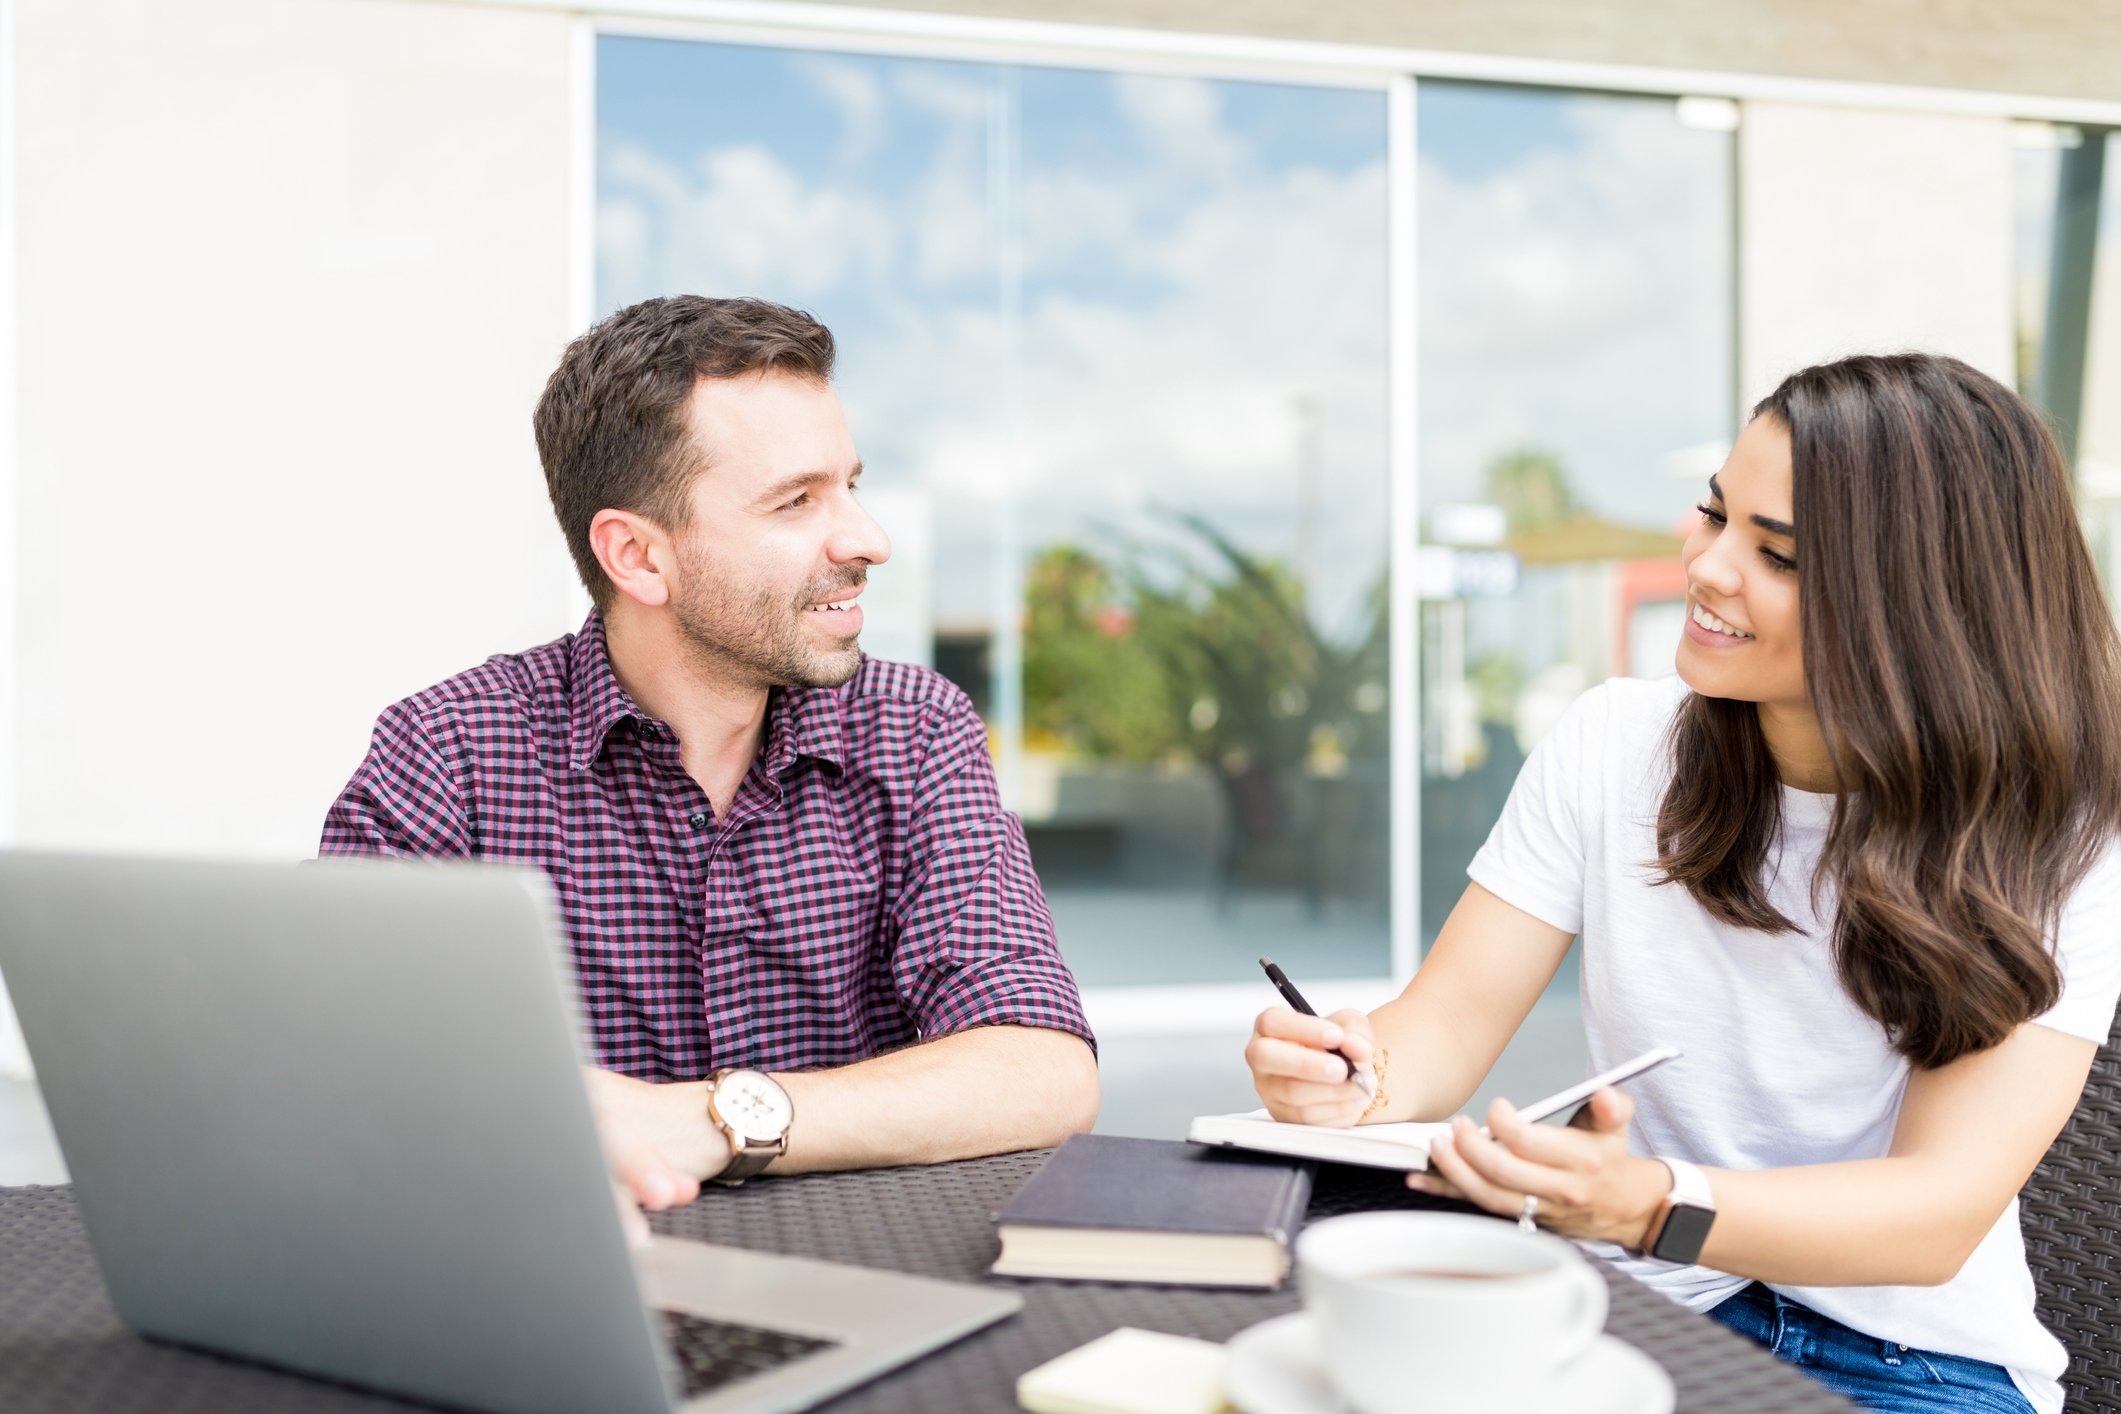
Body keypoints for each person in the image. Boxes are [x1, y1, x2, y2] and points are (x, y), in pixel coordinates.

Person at [1245, 353, 2121, 1414]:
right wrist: (1352, 1077)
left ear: (1918, 606)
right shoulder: (1614, 744)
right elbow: (1444, 1023)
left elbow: (1935, 1209)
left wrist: (1656, 1203)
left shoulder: (2060, 827)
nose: (1707, 567)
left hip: (1913, 1362)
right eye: (1715, 514)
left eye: (1778, 554)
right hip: (1640, 1308)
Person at [323, 295, 1099, 1217]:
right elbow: (346, 1077)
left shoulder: (917, 729)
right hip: (576, 1293)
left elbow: (1042, 1069)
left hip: (869, 1269)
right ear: (638, 558)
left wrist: (708, 1121)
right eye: (797, 501)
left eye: (850, 484)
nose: (867, 539)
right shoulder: (447, 753)